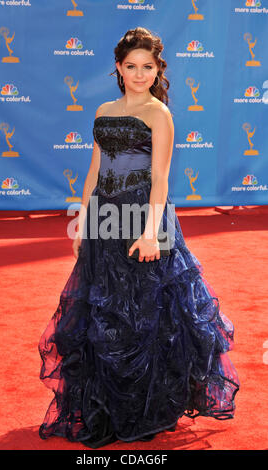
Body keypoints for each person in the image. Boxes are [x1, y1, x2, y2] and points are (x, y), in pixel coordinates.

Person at [38, 27, 240, 449]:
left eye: (147, 67)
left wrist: (151, 234)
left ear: (157, 69)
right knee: (104, 314)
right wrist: (83, 223)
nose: (139, 73)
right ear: (118, 68)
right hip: (105, 221)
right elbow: (95, 171)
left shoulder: (158, 114)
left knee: (146, 313)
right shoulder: (103, 111)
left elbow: (161, 180)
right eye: (131, 66)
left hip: (142, 220)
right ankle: (107, 405)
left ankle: (149, 406)